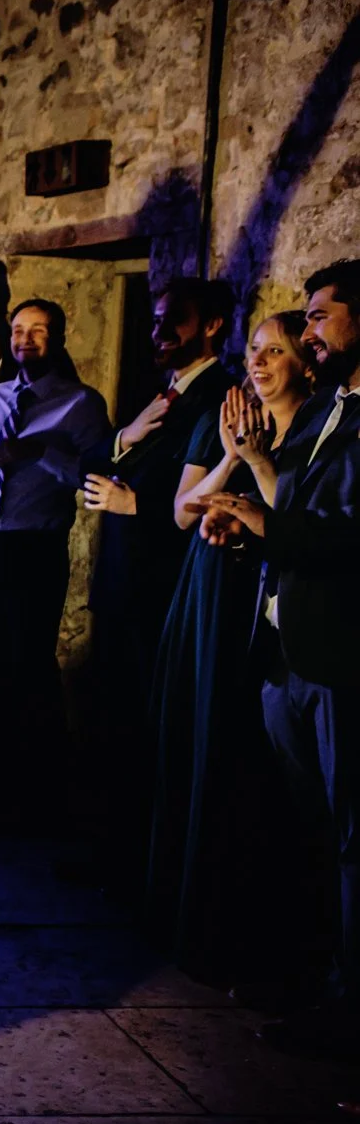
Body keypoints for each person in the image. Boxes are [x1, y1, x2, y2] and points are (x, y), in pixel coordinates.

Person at [196, 260, 360, 1061]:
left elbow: (345, 535)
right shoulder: (330, 407)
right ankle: (316, 980)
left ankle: (349, 1009)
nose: (311, 329)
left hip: (341, 654)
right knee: (312, 831)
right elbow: (294, 507)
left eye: (321, 315)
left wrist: (264, 514)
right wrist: (246, 515)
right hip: (288, 647)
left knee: (352, 838)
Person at [147, 311, 313, 984]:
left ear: (305, 362)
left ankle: (245, 932)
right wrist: (230, 457)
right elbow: (182, 509)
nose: (259, 362)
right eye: (254, 350)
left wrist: (254, 471)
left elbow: (298, 524)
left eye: (275, 351)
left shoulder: (317, 431)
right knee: (194, 740)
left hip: (258, 600)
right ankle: (181, 911)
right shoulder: (230, 418)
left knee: (245, 759)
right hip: (207, 590)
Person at [81, 278, 234, 890]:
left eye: (175, 320)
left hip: (161, 585)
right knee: (114, 719)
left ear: (212, 325)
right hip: (122, 580)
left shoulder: (218, 398)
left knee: (147, 726)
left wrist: (137, 503)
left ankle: (139, 866)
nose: (159, 331)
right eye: (155, 319)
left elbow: (203, 500)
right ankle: (111, 850)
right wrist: (128, 436)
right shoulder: (165, 394)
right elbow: (93, 460)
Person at [0, 298, 111, 806]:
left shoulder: (81, 403)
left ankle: (37, 778)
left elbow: (94, 476)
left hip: (36, 545)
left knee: (27, 660)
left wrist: (40, 451)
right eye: (19, 330)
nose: (25, 339)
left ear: (58, 337)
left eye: (37, 330)